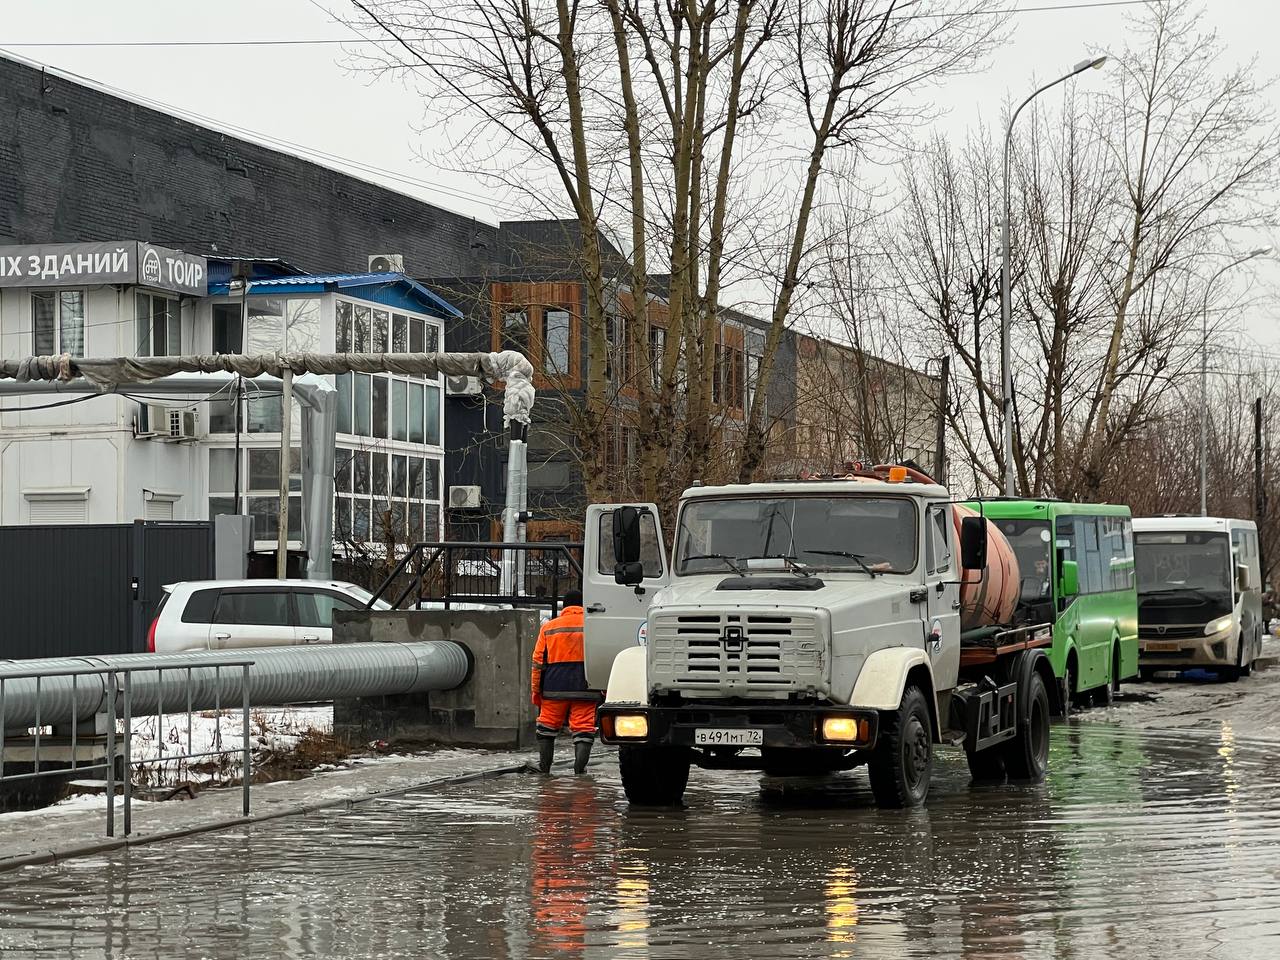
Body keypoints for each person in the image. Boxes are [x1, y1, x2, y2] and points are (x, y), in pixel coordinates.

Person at [531, 588, 596, 775]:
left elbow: (538, 662)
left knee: (547, 727)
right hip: (586, 687)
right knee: (584, 729)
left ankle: (544, 768)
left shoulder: (549, 628)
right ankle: (579, 770)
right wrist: (604, 689)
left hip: (554, 687)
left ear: (564, 607)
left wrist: (536, 690)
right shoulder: (593, 627)